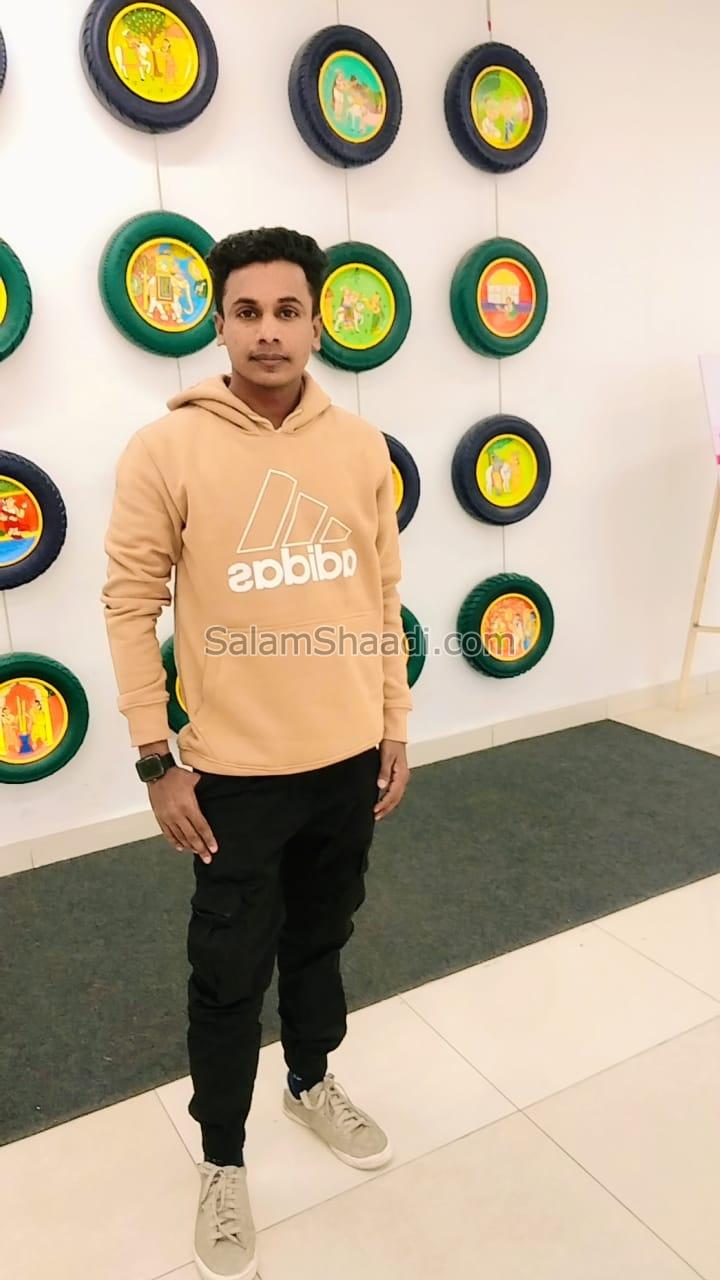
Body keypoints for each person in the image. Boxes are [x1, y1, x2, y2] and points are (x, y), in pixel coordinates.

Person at [100, 226, 412, 1280]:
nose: (268, 331)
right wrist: (157, 759)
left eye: (288, 311)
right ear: (220, 323)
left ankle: (311, 1080)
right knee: (228, 972)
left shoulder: (360, 447)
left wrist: (394, 723)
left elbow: (382, 595)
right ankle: (223, 1158)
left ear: (318, 322)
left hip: (346, 763)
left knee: (322, 940)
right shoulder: (165, 449)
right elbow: (129, 604)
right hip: (231, 776)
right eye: (248, 312)